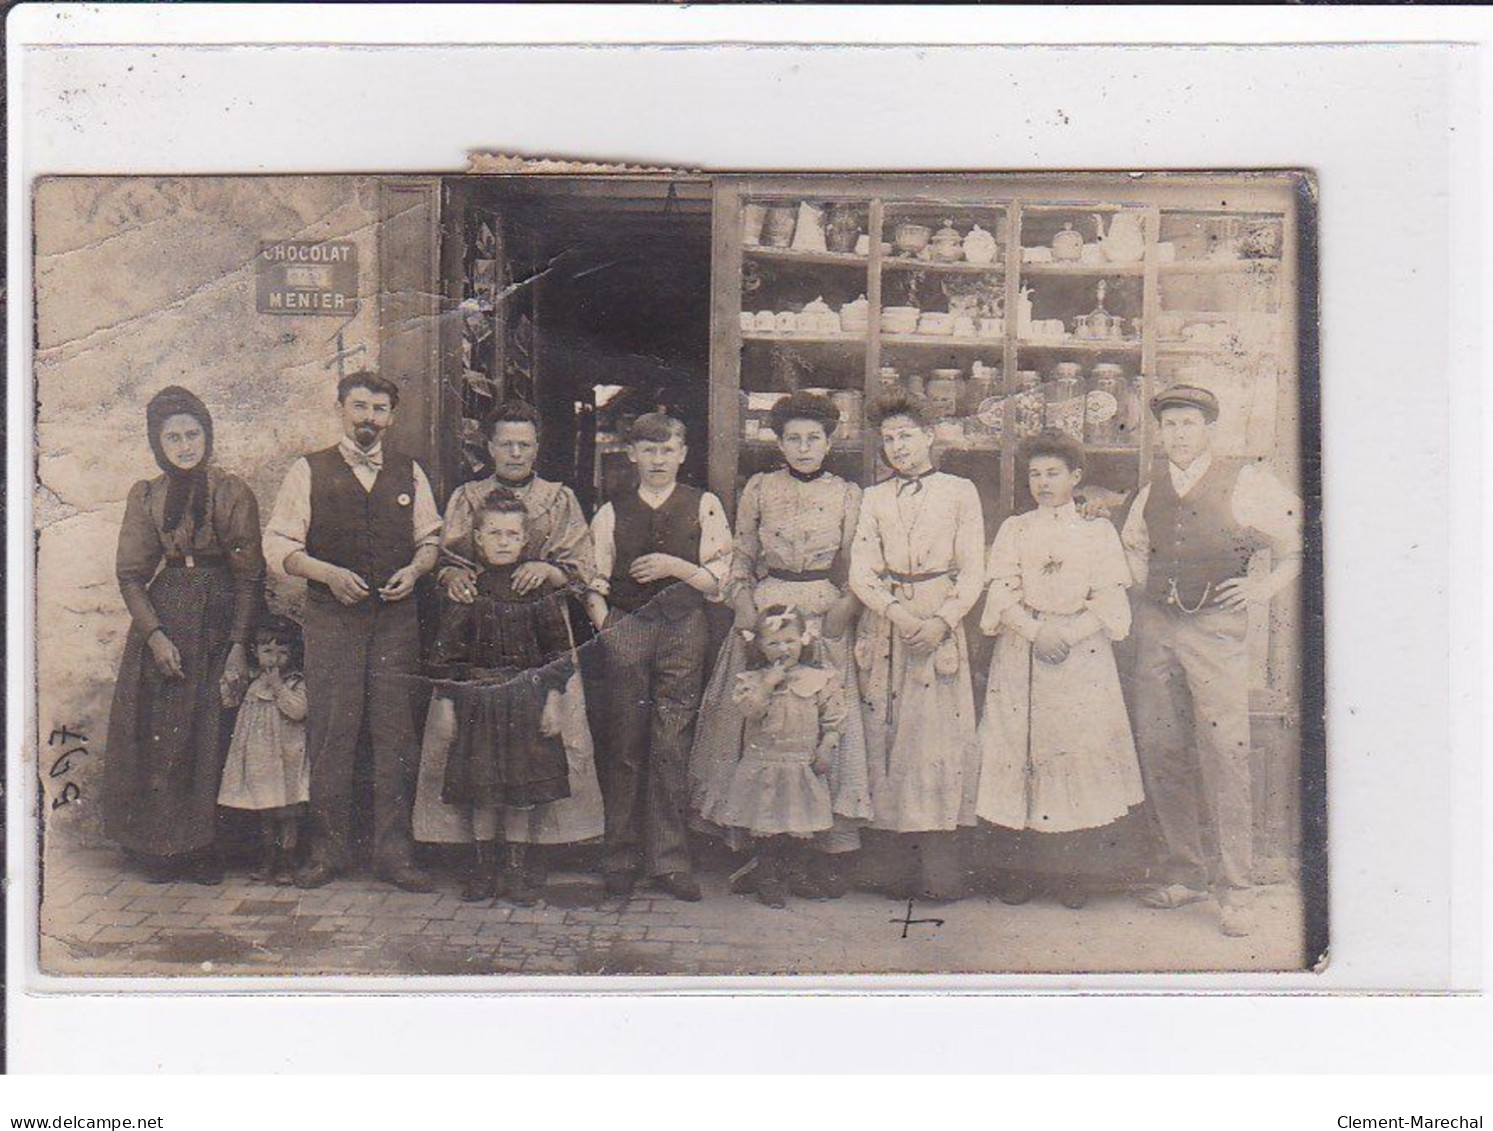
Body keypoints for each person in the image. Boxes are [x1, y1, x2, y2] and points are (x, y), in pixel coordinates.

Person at [1119, 385, 1303, 937]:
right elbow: (1131, 551)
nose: (1178, 434)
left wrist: (1262, 588)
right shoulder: (1150, 488)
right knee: (1161, 745)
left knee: (1226, 752)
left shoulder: (1246, 481)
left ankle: (1237, 891)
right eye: (1170, 425)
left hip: (1217, 632)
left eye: (1188, 424)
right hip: (1157, 629)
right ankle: (1186, 874)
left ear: (1209, 430)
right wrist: (1149, 590)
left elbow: (1300, 541)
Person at [263, 371, 441, 893]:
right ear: (341, 409)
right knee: (332, 733)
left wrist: (416, 570)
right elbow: (278, 546)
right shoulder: (308, 470)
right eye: (359, 407)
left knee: (395, 735)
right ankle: (326, 852)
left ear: (391, 417)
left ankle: (394, 853)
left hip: (395, 624)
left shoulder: (409, 472)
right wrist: (328, 575)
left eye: (379, 409)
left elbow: (431, 540)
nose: (368, 418)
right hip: (332, 620)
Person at [689, 391, 871, 898]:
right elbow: (741, 554)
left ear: (830, 442)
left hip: (821, 610)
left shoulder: (847, 494)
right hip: (768, 613)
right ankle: (760, 852)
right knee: (758, 727)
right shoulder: (761, 489)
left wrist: (844, 606)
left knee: (817, 726)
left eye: (814, 438)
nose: (805, 448)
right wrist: (744, 603)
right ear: (780, 443)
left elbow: (860, 561)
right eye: (794, 438)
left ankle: (811, 856)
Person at [413, 400, 604, 879]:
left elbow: (583, 566)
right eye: (506, 443)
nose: (515, 453)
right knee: (460, 738)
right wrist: (450, 579)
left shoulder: (559, 498)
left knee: (551, 733)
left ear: (537, 447)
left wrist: (550, 569)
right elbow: (446, 555)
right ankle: (466, 850)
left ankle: (546, 848)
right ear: (490, 446)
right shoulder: (467, 497)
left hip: (537, 628)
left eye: (525, 444)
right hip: (477, 628)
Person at [976, 432, 1145, 909]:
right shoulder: (1016, 530)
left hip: (1080, 655)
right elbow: (1002, 592)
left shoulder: (1097, 532)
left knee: (1075, 751)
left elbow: (1111, 598)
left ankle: (1072, 875)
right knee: (1020, 749)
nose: (1043, 483)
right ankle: (1019, 873)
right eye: (1035, 474)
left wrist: (1066, 635)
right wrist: (1034, 632)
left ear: (1076, 478)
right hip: (1023, 651)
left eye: (1053, 473)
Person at [104, 386, 265, 885]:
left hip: (219, 615)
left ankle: (205, 848)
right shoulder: (147, 495)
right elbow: (131, 575)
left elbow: (250, 576)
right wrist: (154, 636)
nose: (184, 445)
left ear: (207, 435)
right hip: (168, 612)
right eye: (172, 437)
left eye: (193, 434)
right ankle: (160, 847)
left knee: (211, 731)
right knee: (165, 733)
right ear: (158, 442)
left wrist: (239, 646)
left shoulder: (231, 491)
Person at [587, 412, 732, 901]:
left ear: (683, 454)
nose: (657, 460)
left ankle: (670, 861)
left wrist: (675, 566)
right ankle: (620, 857)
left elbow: (718, 582)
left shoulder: (703, 505)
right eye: (648, 450)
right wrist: (606, 626)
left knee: (673, 742)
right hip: (628, 627)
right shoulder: (611, 510)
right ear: (631, 455)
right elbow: (593, 580)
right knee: (625, 741)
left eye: (667, 450)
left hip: (683, 629)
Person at [849, 393, 985, 901]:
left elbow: (974, 568)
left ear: (930, 435)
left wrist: (942, 621)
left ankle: (939, 870)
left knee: (935, 742)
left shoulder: (959, 492)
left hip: (939, 616)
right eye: (888, 439)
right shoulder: (874, 498)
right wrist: (900, 615)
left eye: (906, 435)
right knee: (885, 736)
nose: (897, 447)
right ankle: (889, 866)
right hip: (890, 621)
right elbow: (862, 571)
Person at [421, 493, 577, 904]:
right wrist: (448, 705)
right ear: (477, 538)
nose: (504, 542)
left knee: (521, 795)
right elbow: (447, 655)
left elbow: (558, 652)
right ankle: (483, 868)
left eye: (513, 534)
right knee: (484, 791)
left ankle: (515, 870)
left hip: (526, 701)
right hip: (479, 706)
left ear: (525, 539)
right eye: (494, 533)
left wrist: (553, 700)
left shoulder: (537, 590)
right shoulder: (467, 590)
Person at [696, 606, 847, 909]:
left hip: (801, 764)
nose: (783, 649)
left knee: (801, 826)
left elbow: (834, 717)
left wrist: (826, 746)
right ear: (760, 646)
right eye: (774, 643)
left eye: (790, 640)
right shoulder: (751, 680)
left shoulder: (819, 678)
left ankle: (795, 873)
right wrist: (768, 683)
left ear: (803, 640)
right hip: (765, 764)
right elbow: (750, 710)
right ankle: (766, 876)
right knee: (767, 827)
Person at [217, 613, 309, 885]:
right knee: (266, 813)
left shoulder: (295, 682)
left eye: (282, 651)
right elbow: (229, 703)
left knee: (287, 813)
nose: (274, 659)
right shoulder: (254, 682)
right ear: (255, 652)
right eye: (267, 651)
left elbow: (298, 711)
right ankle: (268, 860)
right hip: (260, 760)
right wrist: (230, 684)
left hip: (287, 759)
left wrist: (279, 687)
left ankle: (287, 862)